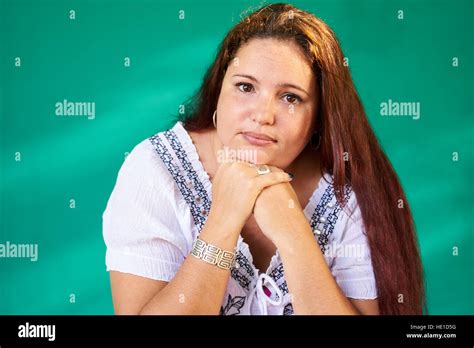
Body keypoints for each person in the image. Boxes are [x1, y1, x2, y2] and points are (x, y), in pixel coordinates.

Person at [102, 3, 426, 315]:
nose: (263, 115)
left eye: (290, 97)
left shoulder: (346, 189)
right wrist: (222, 222)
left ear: (319, 117)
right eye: (245, 87)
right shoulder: (155, 171)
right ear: (218, 90)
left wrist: (293, 232)